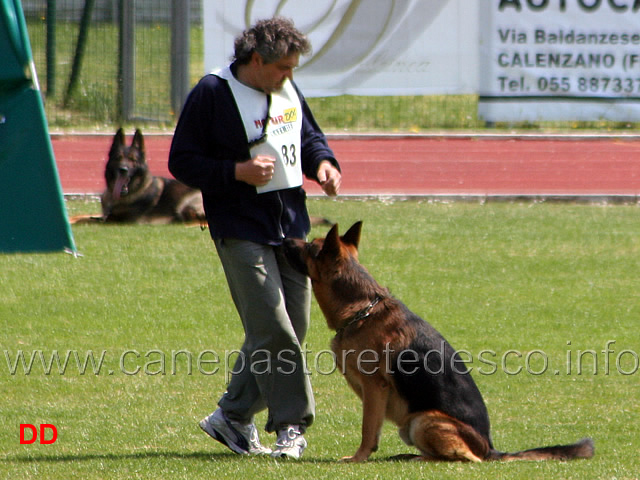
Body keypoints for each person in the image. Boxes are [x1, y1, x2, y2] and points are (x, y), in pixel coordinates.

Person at [168, 17, 341, 460]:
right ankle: (291, 426)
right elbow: (182, 161)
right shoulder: (211, 93)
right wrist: (235, 173)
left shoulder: (284, 86)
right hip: (239, 227)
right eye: (283, 67)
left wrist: (323, 164)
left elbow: (309, 137)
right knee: (273, 327)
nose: (290, 76)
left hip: (290, 228)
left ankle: (231, 415)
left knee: (289, 328)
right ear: (257, 60)